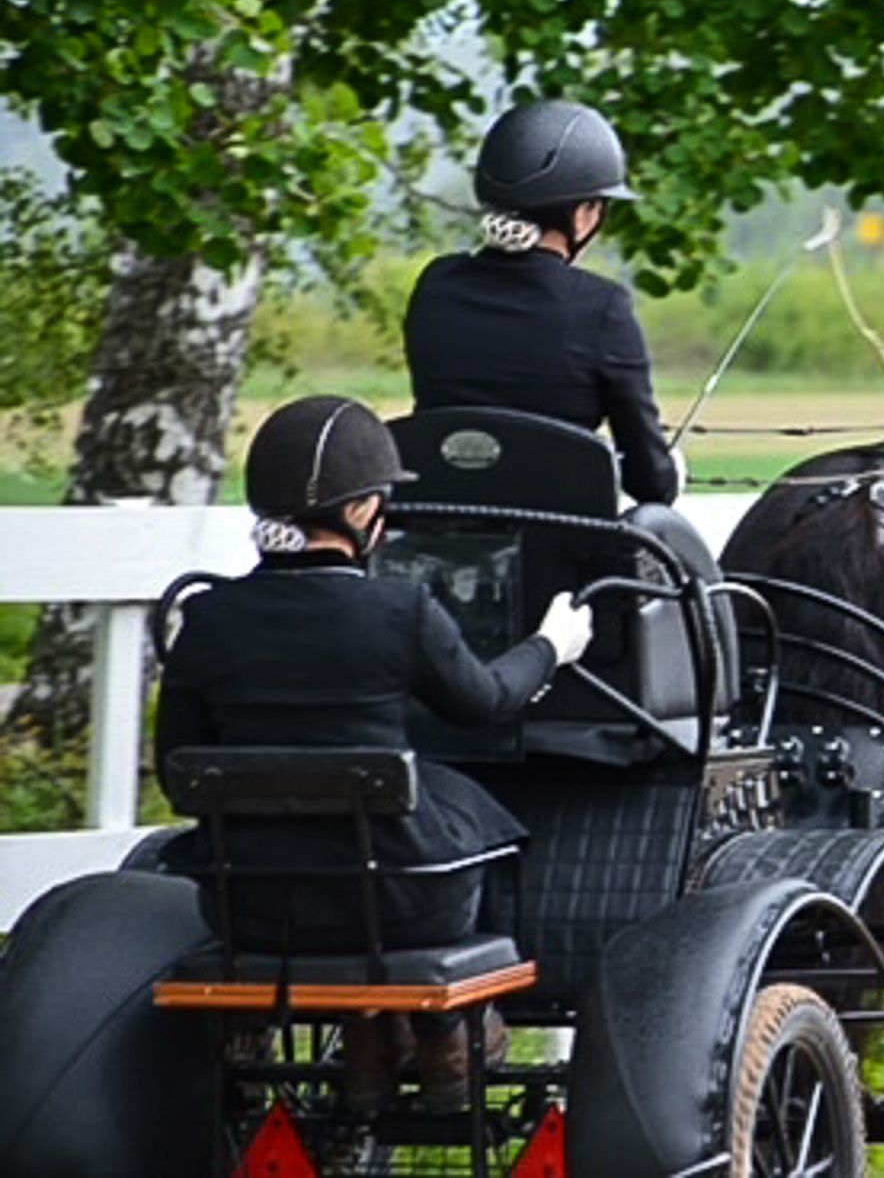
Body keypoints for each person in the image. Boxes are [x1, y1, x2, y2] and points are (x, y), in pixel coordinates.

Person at [154, 395, 594, 1113]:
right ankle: (444, 1029)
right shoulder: (399, 612)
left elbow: (178, 769)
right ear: (361, 512)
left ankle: (370, 1039)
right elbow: (485, 702)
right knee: (470, 816)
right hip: (401, 909)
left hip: (252, 907)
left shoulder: (206, 619)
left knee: (420, 806)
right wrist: (552, 646)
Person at [403, 99, 681, 506]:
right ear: (584, 214)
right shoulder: (602, 308)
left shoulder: (436, 285)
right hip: (560, 541)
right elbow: (649, 482)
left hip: (436, 529)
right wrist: (669, 471)